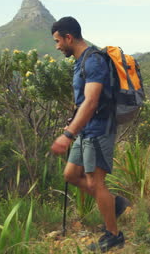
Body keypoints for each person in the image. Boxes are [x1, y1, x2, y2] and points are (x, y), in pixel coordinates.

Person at [50, 16, 129, 252]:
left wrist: (68, 133)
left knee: (96, 183)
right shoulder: (81, 61)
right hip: (85, 129)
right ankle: (114, 204)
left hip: (97, 129)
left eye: (58, 41)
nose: (57, 46)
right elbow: (84, 100)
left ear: (69, 37)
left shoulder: (93, 61)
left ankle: (113, 234)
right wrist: (75, 122)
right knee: (71, 175)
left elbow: (92, 101)